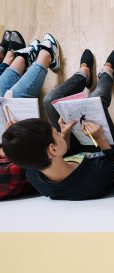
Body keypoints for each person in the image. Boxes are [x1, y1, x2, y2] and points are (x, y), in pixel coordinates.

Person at [2, 48, 114, 200]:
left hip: (70, 151)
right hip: (104, 151)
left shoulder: (33, 173)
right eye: (56, 132)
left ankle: (82, 76)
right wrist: (100, 140)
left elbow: (53, 153)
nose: (59, 131)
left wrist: (64, 135)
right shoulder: (94, 179)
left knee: (50, 100)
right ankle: (107, 74)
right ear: (52, 148)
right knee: (96, 98)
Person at [0, 32, 60, 200]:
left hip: (9, 145)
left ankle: (23, 59)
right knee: (17, 97)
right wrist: (10, 144)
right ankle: (46, 54)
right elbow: (25, 166)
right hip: (26, 151)